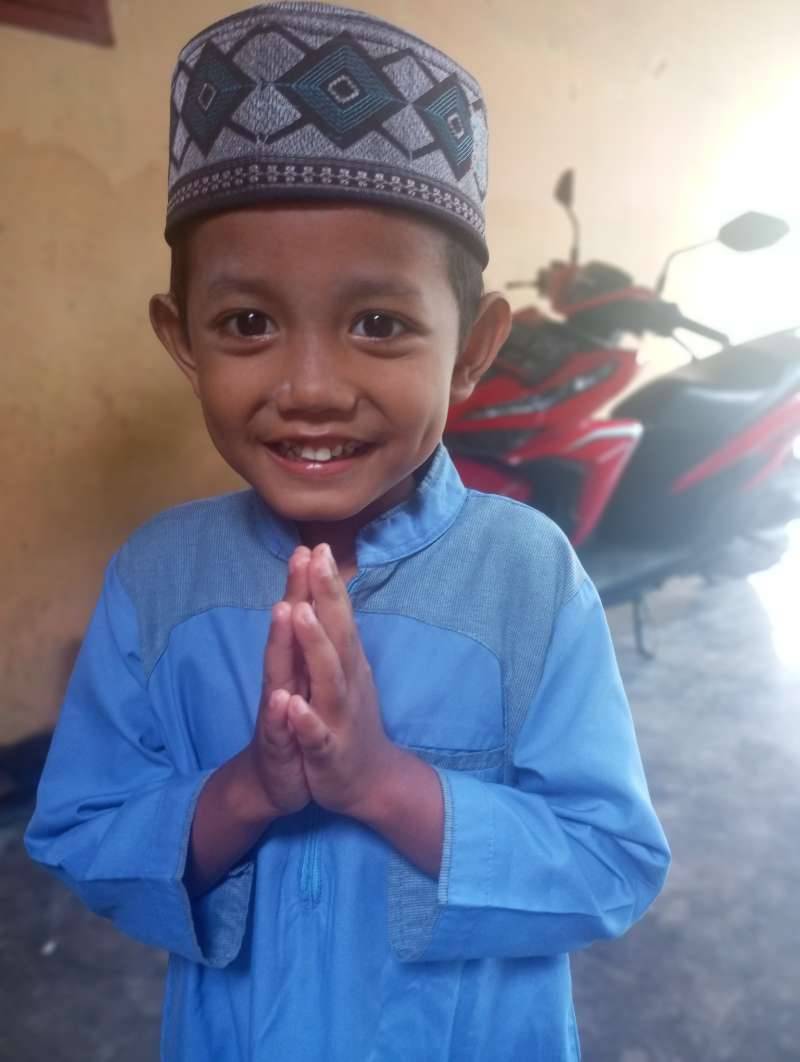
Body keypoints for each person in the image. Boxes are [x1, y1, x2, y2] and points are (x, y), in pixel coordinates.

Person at [25, 3, 670, 1059]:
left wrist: (382, 785)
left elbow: (610, 863)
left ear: (472, 350)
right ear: (181, 340)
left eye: (380, 323)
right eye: (248, 323)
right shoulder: (156, 580)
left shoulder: (526, 579)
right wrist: (245, 792)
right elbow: (82, 830)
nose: (312, 387)